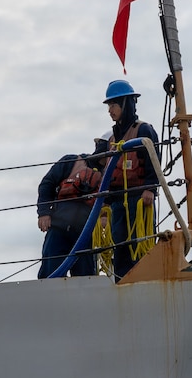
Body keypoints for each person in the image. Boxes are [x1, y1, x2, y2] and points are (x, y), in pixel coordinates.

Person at [94, 79, 160, 280]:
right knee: (120, 243)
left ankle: (145, 279)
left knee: (140, 242)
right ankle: (122, 282)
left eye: (113, 105)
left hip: (138, 198)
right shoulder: (112, 139)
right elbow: (105, 172)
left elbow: (154, 161)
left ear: (125, 103)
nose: (110, 110)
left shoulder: (143, 130)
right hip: (117, 201)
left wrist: (150, 189)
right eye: (109, 106)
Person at [35, 151, 103, 279]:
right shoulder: (71, 161)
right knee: (49, 274)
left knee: (85, 278)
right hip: (59, 229)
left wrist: (104, 217)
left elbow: (110, 200)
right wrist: (43, 213)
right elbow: (47, 184)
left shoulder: (109, 172)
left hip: (85, 232)